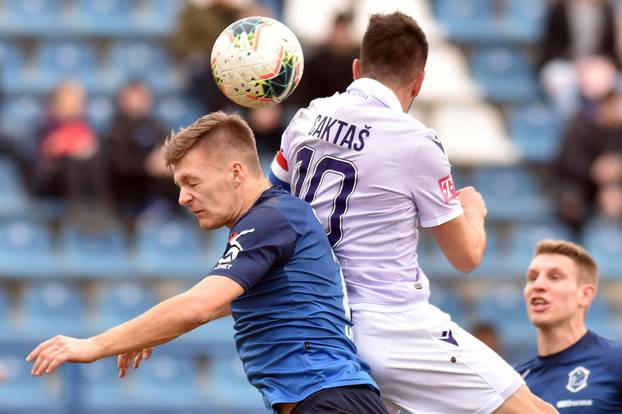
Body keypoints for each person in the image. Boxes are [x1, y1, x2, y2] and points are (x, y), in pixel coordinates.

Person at [269, 11, 556, 414]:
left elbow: (272, 202)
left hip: (323, 326)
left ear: (356, 68)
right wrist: (472, 210)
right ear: (419, 81)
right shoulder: (415, 142)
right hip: (392, 324)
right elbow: (466, 256)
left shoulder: (305, 119)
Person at [26, 112, 388, 414]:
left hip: (331, 401)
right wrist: (150, 331)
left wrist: (96, 346)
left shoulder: (270, 220)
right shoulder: (274, 219)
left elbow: (199, 306)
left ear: (235, 172)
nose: (183, 198)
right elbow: (240, 301)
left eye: (191, 182)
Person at [516, 239, 622, 412]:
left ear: (585, 295)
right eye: (532, 277)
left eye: (555, 277)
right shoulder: (515, 383)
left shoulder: (616, 361)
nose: (538, 285)